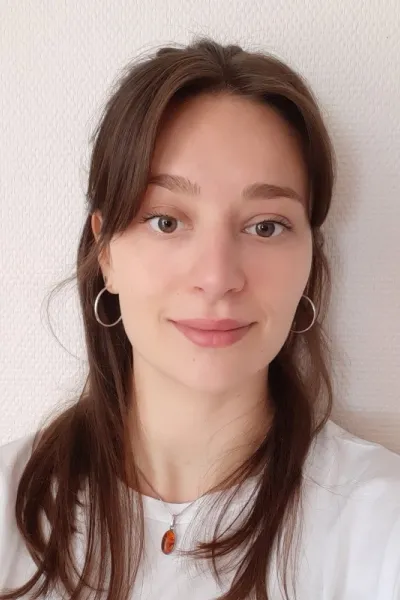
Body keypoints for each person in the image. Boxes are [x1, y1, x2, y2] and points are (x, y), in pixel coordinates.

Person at [0, 37, 399, 600]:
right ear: (106, 252)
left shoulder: (381, 525)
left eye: (265, 226)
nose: (217, 277)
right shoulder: (10, 507)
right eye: (166, 221)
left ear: (310, 259)